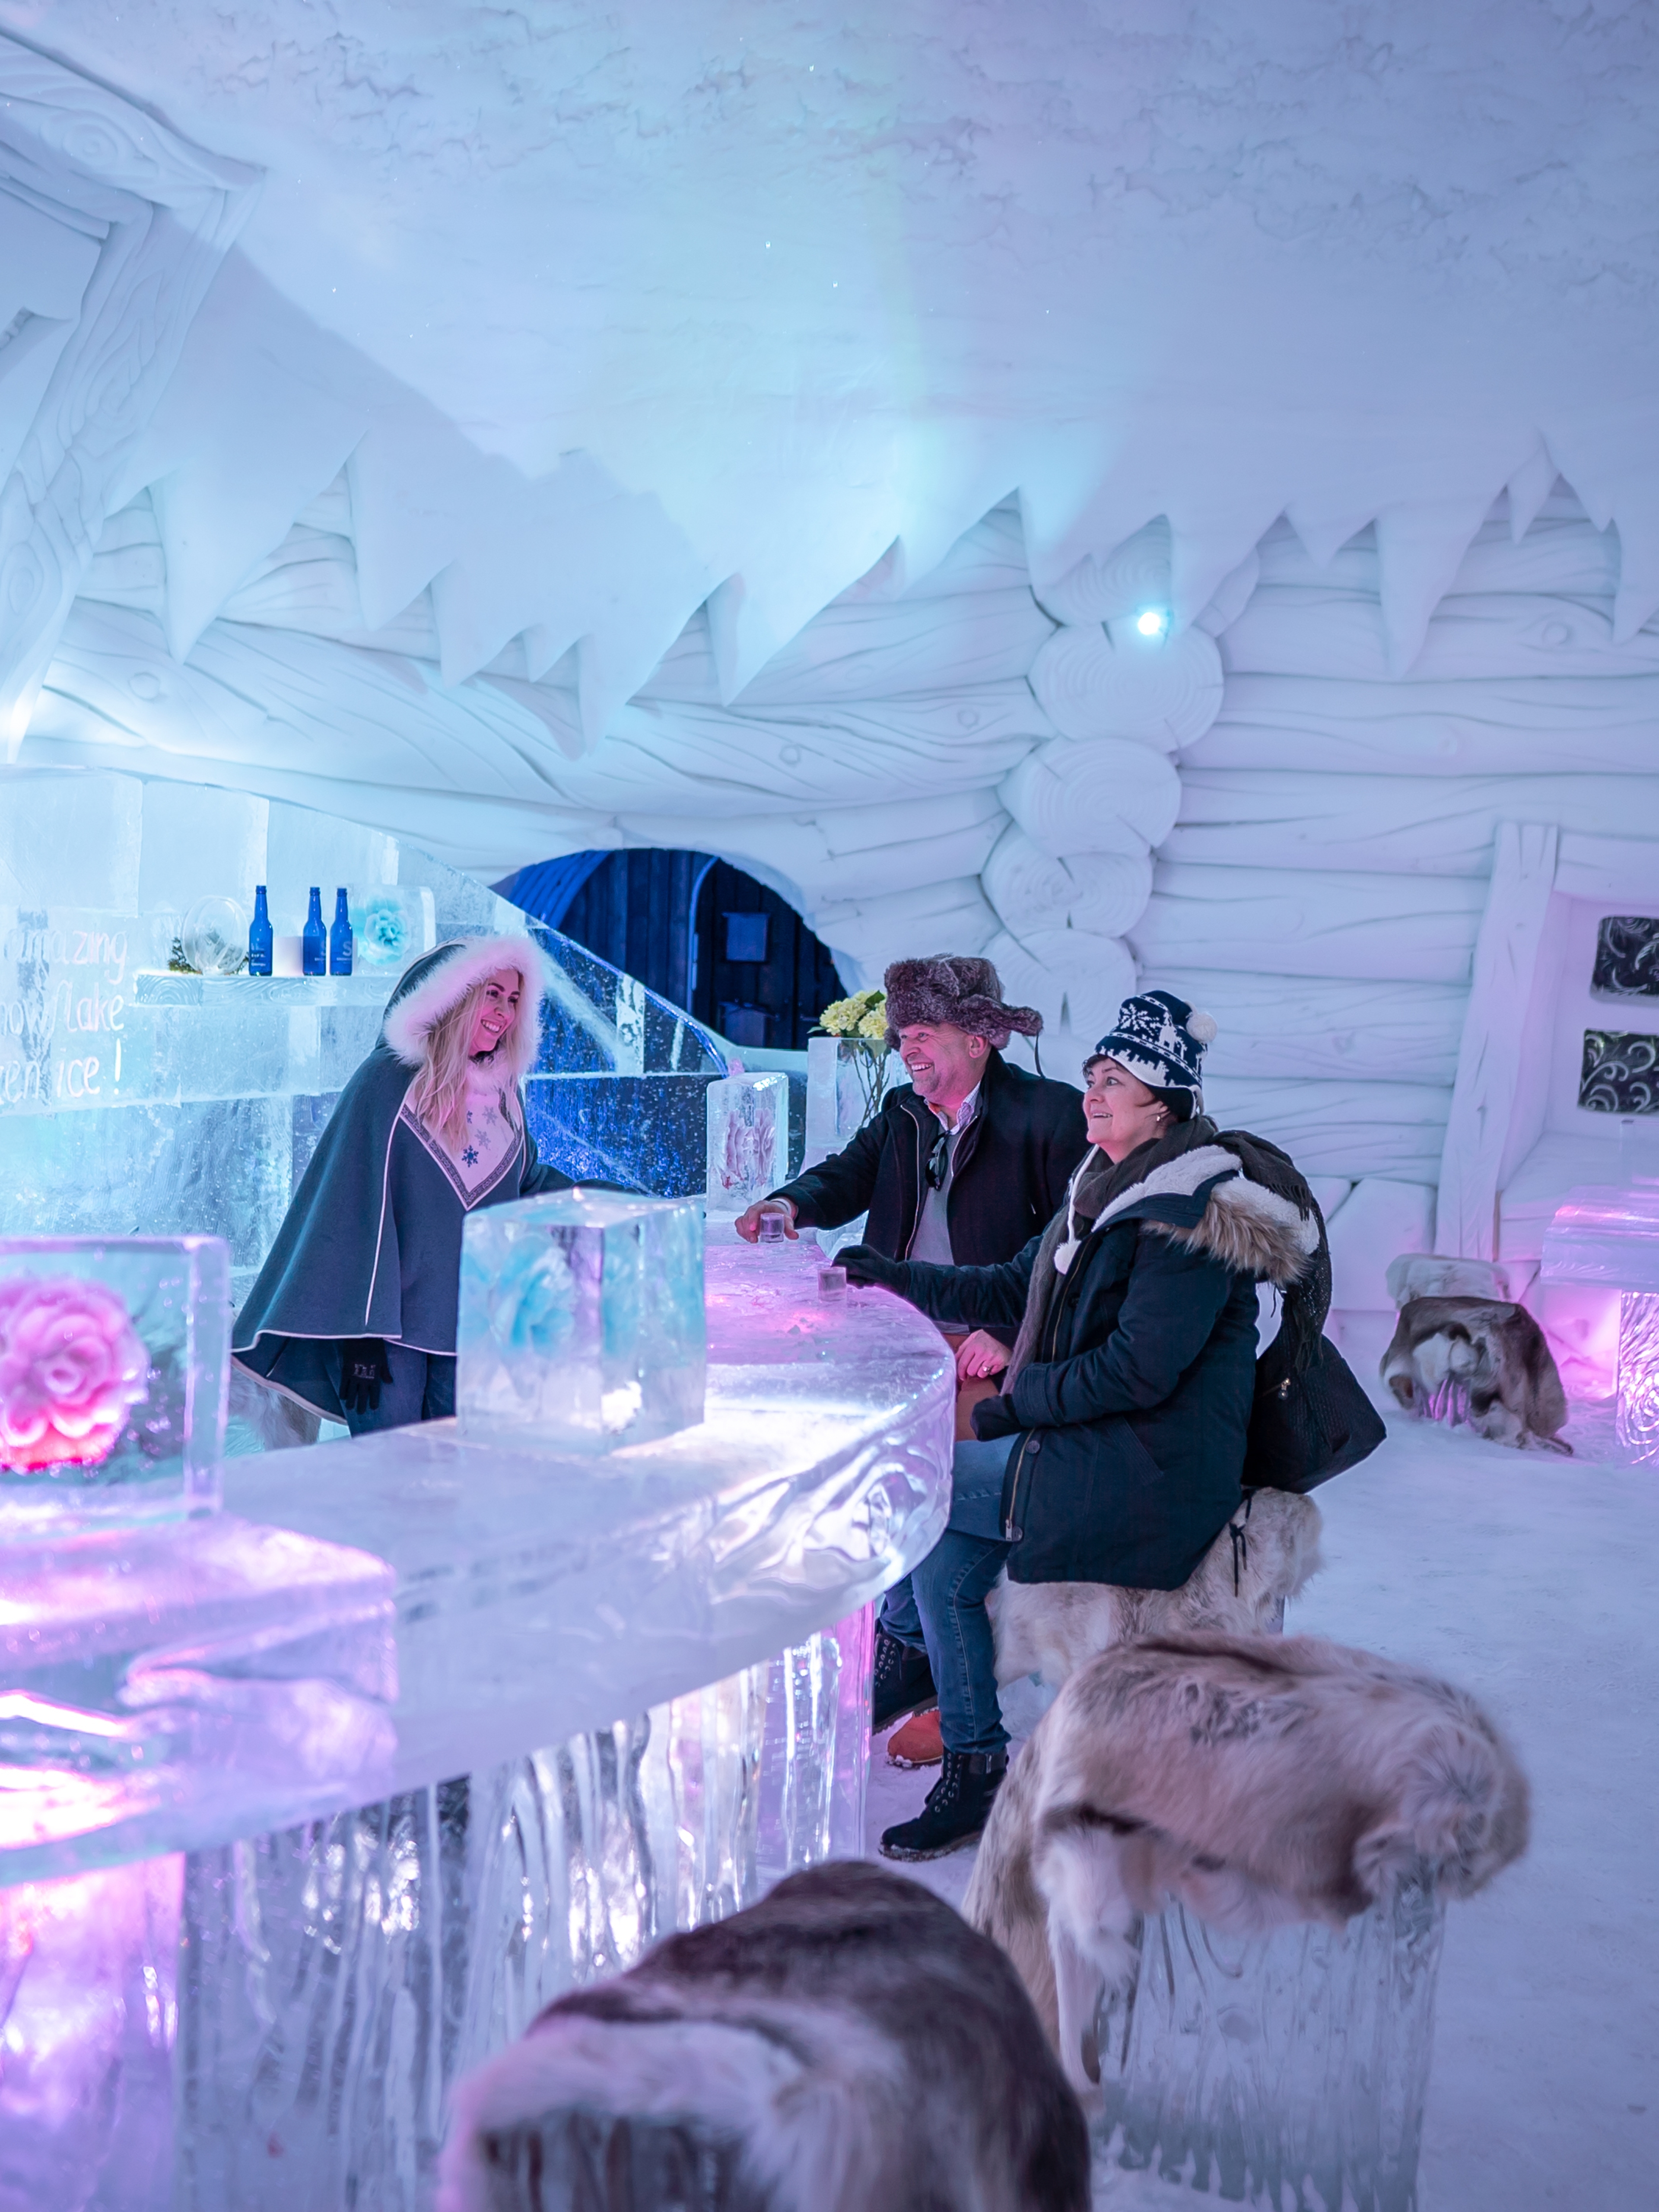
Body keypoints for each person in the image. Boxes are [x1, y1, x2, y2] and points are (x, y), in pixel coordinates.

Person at [836, 989, 1326, 1860]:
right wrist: (892, 1274)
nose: (1094, 1094)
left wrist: (1011, 1404)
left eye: (1119, 1081)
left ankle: (911, 1656)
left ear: (1165, 1104)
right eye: (1094, 1075)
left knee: (926, 1484)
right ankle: (974, 1759)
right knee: (946, 1556)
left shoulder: (1189, 1217)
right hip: (1098, 1442)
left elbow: (1139, 1371)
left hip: (1153, 1470)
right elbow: (1002, 1286)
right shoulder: (1102, 1190)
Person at [735, 953, 1089, 1735]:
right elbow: (845, 1178)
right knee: (873, 1479)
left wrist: (1010, 1331)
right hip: (900, 1333)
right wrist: (791, 1204)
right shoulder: (902, 1113)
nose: (908, 1051)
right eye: (902, 1037)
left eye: (923, 1034)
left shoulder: (1052, 1116)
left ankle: (938, 1665)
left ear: (980, 1039)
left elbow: (1072, 1249)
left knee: (941, 1498)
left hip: (989, 1342)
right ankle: (908, 1645)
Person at [234, 934, 580, 1433]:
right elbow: (348, 1209)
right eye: (492, 993)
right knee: (390, 1476)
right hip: (387, 1335)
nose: (504, 1011)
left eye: (513, 999)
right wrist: (361, 1335)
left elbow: (523, 1184)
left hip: (471, 1329)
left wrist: (602, 1198)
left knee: (454, 1473)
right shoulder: (388, 1081)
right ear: (454, 994)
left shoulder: (504, 1094)